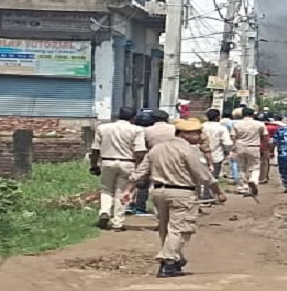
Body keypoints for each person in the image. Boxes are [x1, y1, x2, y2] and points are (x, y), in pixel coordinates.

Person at [129, 118, 227, 277]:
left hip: (159, 193)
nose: (200, 136)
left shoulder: (157, 148)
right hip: (182, 194)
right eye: (197, 133)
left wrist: (129, 189)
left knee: (165, 228)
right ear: (184, 134)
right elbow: (204, 175)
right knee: (179, 228)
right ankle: (167, 262)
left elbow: (140, 172)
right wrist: (218, 192)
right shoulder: (188, 150)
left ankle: (175, 259)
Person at [89, 106, 146, 231]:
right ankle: (117, 223)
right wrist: (139, 169)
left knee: (106, 190)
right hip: (128, 163)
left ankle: (105, 212)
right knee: (122, 192)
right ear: (133, 118)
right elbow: (140, 152)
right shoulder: (137, 130)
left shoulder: (103, 128)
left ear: (118, 116)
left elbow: (95, 149)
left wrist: (94, 164)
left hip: (107, 161)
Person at [230, 107, 268, 196]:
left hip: (240, 147)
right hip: (254, 147)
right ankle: (253, 180)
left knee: (241, 168)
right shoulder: (259, 124)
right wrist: (265, 148)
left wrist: (232, 149)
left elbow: (233, 137)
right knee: (255, 167)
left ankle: (242, 187)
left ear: (242, 114)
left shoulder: (236, 124)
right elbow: (265, 137)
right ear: (253, 114)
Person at [202, 108, 234, 179]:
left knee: (201, 178)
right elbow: (227, 143)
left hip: (202, 156)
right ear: (218, 117)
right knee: (213, 178)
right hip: (216, 156)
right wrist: (227, 152)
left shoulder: (202, 126)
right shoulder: (221, 128)